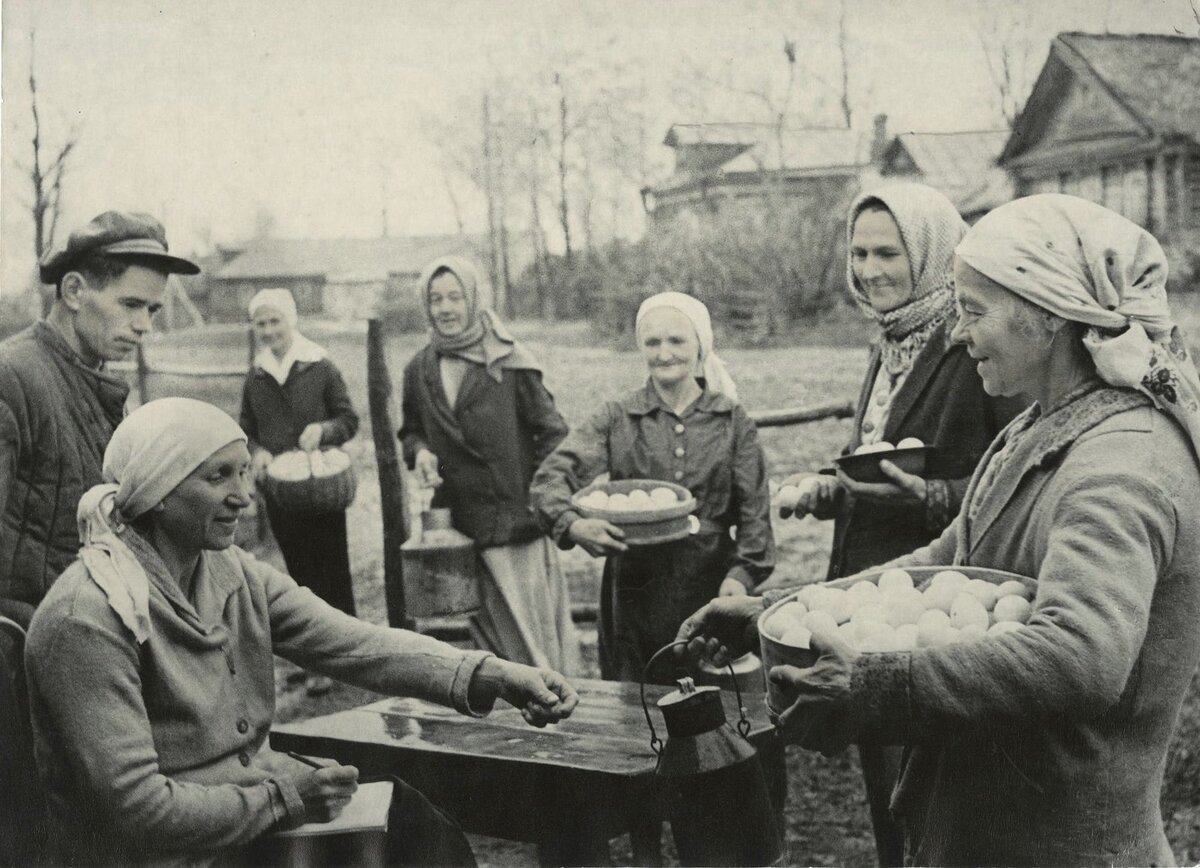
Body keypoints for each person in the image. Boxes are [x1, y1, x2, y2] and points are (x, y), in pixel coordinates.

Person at [677, 194, 1200, 866]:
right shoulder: (1040, 426)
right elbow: (946, 560)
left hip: (1062, 844)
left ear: (1047, 315)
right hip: (992, 830)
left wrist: (875, 679)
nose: (956, 332)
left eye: (974, 311)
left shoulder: (1119, 467)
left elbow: (1080, 658)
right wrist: (779, 616)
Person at [25, 397, 578, 867]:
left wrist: (491, 674)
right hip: (172, 853)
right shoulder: (88, 619)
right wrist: (285, 799)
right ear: (157, 491)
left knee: (411, 824)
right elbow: (135, 809)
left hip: (246, 817)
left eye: (244, 471)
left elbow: (358, 644)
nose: (244, 495)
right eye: (218, 477)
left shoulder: (229, 572)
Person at [776, 182, 1024, 866]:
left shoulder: (974, 346)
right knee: (887, 792)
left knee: (937, 799)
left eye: (889, 252)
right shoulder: (888, 344)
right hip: (872, 600)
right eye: (858, 252)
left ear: (932, 252)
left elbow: (1014, 474)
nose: (869, 269)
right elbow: (879, 458)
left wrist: (932, 499)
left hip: (938, 609)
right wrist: (834, 489)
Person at [532, 291, 775, 683]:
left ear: (700, 344)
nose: (665, 353)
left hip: (710, 588)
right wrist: (573, 525)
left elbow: (755, 517)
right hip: (634, 594)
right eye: (653, 342)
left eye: (677, 340)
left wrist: (740, 579)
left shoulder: (731, 420)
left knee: (718, 719)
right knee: (639, 711)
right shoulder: (618, 417)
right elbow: (550, 479)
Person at [0, 211, 199, 621]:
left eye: (153, 310)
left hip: (86, 626)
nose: (144, 325)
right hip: (21, 641)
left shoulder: (97, 382)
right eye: (130, 304)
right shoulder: (13, 376)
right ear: (74, 291)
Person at [399, 256, 578, 673]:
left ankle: (558, 712)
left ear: (474, 299)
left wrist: (541, 494)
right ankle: (517, 721)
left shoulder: (510, 361)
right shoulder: (419, 369)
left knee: (534, 634)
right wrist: (420, 452)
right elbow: (410, 432)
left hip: (518, 521)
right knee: (492, 640)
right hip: (462, 525)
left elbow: (553, 432)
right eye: (435, 299)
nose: (445, 308)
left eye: (455, 297)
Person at [240, 289, 358, 616]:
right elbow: (246, 428)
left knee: (332, 572)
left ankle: (345, 653)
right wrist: (258, 450)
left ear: (290, 320)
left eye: (275, 321)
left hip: (321, 487)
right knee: (300, 573)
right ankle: (313, 654)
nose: (268, 331)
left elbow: (348, 419)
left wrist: (324, 431)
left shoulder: (319, 366)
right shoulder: (257, 375)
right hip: (280, 490)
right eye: (260, 324)